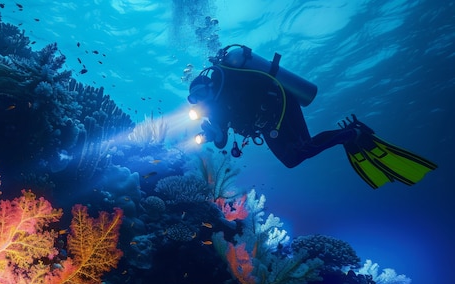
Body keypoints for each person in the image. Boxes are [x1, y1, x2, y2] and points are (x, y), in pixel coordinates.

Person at [187, 44, 437, 189]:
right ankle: (349, 134)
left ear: (209, 84)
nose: (199, 101)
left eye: (199, 94)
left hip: (282, 105)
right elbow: (221, 141)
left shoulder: (230, 81)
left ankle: (352, 133)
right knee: (293, 160)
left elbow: (266, 86)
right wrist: (214, 134)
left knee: (301, 149)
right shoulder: (216, 109)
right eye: (193, 100)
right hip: (266, 124)